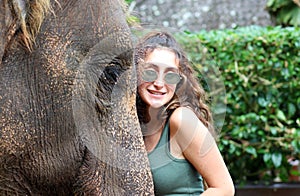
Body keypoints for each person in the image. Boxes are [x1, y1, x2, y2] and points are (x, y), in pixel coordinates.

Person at [134, 31, 235, 195]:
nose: (159, 83)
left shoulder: (182, 119)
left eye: (170, 75)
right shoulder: (134, 125)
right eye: (150, 71)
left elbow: (224, 189)